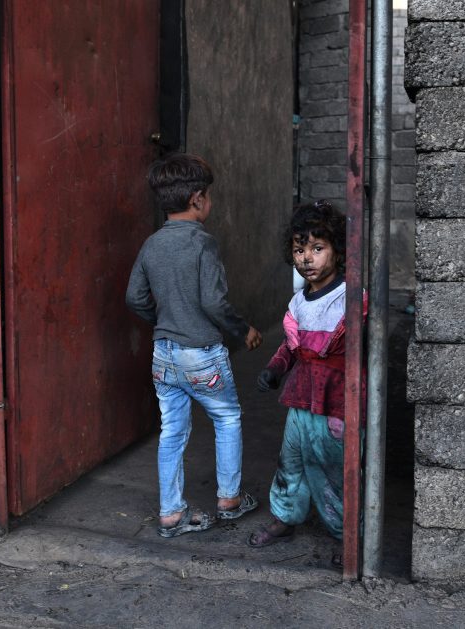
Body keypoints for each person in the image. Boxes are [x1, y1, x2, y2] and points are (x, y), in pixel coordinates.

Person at [126, 153, 262, 538]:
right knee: (227, 418)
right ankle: (230, 499)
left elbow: (135, 298)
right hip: (201, 355)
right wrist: (244, 330)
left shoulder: (152, 245)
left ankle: (171, 513)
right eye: (210, 198)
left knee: (172, 431)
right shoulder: (203, 243)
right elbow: (214, 302)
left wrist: (166, 323)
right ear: (198, 198)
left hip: (164, 355)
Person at [249, 200, 356, 563]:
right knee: (290, 461)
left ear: (337, 251)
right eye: (299, 249)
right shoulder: (299, 302)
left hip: (336, 402)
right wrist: (275, 369)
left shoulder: (350, 300)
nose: (307, 258)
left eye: (317, 248)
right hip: (300, 399)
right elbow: (290, 347)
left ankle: (347, 534)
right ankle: (285, 517)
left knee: (330, 468)